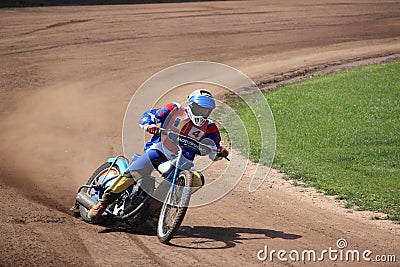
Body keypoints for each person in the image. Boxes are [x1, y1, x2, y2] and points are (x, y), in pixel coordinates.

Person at [88, 89, 229, 222]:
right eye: (200, 108)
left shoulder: (210, 127)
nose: (202, 113)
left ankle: (159, 208)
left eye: (206, 110)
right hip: (160, 150)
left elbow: (213, 151)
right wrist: (149, 125)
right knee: (134, 172)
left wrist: (220, 152)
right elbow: (149, 115)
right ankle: (102, 203)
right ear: (191, 105)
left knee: (197, 180)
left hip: (182, 162)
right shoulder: (174, 109)